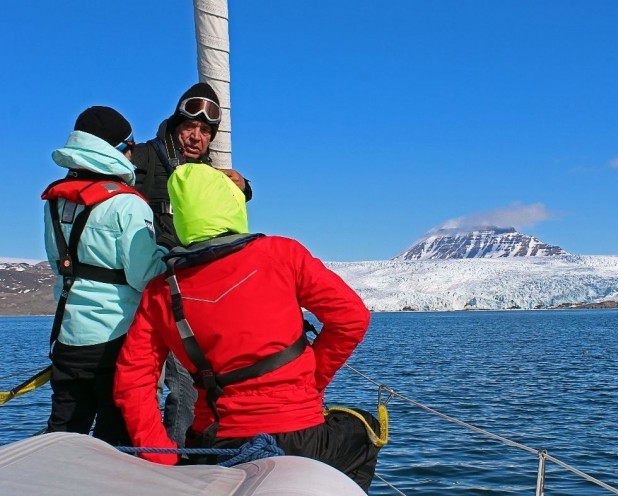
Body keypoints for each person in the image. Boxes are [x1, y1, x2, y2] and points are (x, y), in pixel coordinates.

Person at [114, 163, 380, 491]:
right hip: (301, 435)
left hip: (217, 443)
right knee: (364, 431)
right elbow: (352, 317)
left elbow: (133, 380)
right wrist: (313, 381)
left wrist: (163, 457)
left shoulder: (161, 291)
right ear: (232, 203)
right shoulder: (282, 254)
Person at [130, 82, 252, 447]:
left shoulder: (210, 173)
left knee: (186, 385)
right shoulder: (145, 157)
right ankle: (145, 454)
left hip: (188, 295)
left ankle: (178, 454)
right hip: (146, 291)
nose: (196, 137)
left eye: (204, 131)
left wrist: (244, 186)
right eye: (188, 127)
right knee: (142, 384)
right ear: (175, 126)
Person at [42, 106, 166, 445]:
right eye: (131, 146)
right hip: (116, 339)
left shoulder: (54, 201)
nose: (133, 154)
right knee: (117, 440)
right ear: (116, 149)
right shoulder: (129, 204)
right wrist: (168, 260)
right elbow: (145, 276)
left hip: (67, 338)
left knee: (63, 436)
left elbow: (57, 263)